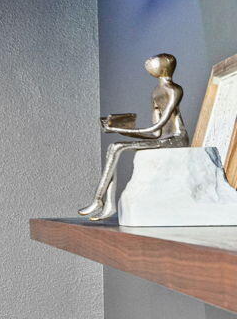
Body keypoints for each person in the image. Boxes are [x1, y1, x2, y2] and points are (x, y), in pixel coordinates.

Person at [80, 54, 187, 219]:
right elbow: (155, 133)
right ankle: (107, 205)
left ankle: (98, 199)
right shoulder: (156, 92)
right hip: (163, 138)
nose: (148, 63)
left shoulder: (174, 90)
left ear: (164, 66)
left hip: (177, 139)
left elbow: (158, 125)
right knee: (114, 146)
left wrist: (121, 130)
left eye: (153, 61)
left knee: (117, 146)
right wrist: (118, 129)